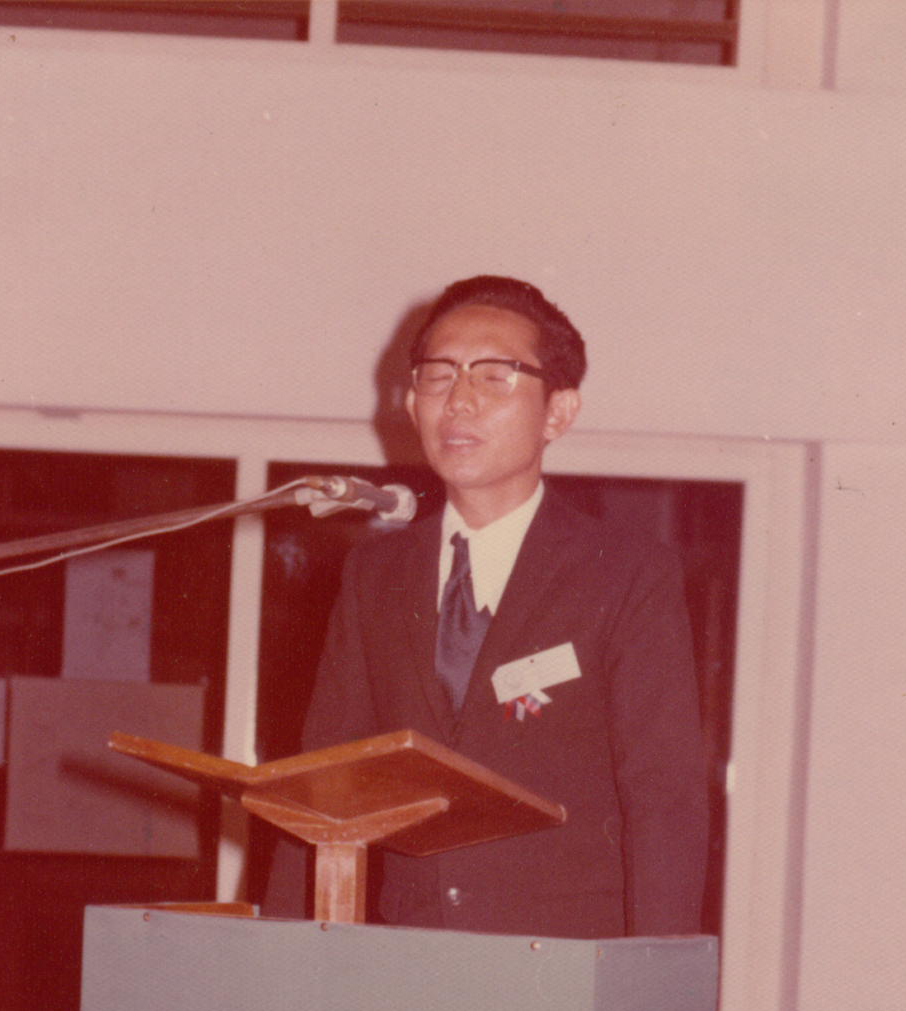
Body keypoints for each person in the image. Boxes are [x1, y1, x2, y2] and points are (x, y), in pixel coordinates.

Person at [263, 275, 708, 938]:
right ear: (411, 403)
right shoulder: (374, 574)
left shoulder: (626, 574)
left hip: (563, 963)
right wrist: (279, 957)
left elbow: (663, 797)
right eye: (438, 376)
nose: (459, 400)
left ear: (558, 413)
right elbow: (323, 782)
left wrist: (655, 976)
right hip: (408, 956)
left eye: (495, 376)